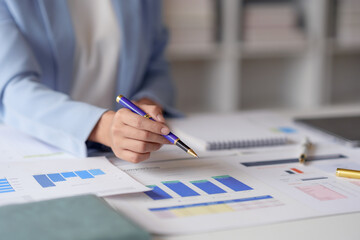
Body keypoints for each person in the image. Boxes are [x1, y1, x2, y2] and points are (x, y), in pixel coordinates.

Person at [0, 0, 178, 163]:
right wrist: (102, 127)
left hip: (125, 153)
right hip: (45, 149)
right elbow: (12, 90)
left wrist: (145, 106)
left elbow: (156, 67)